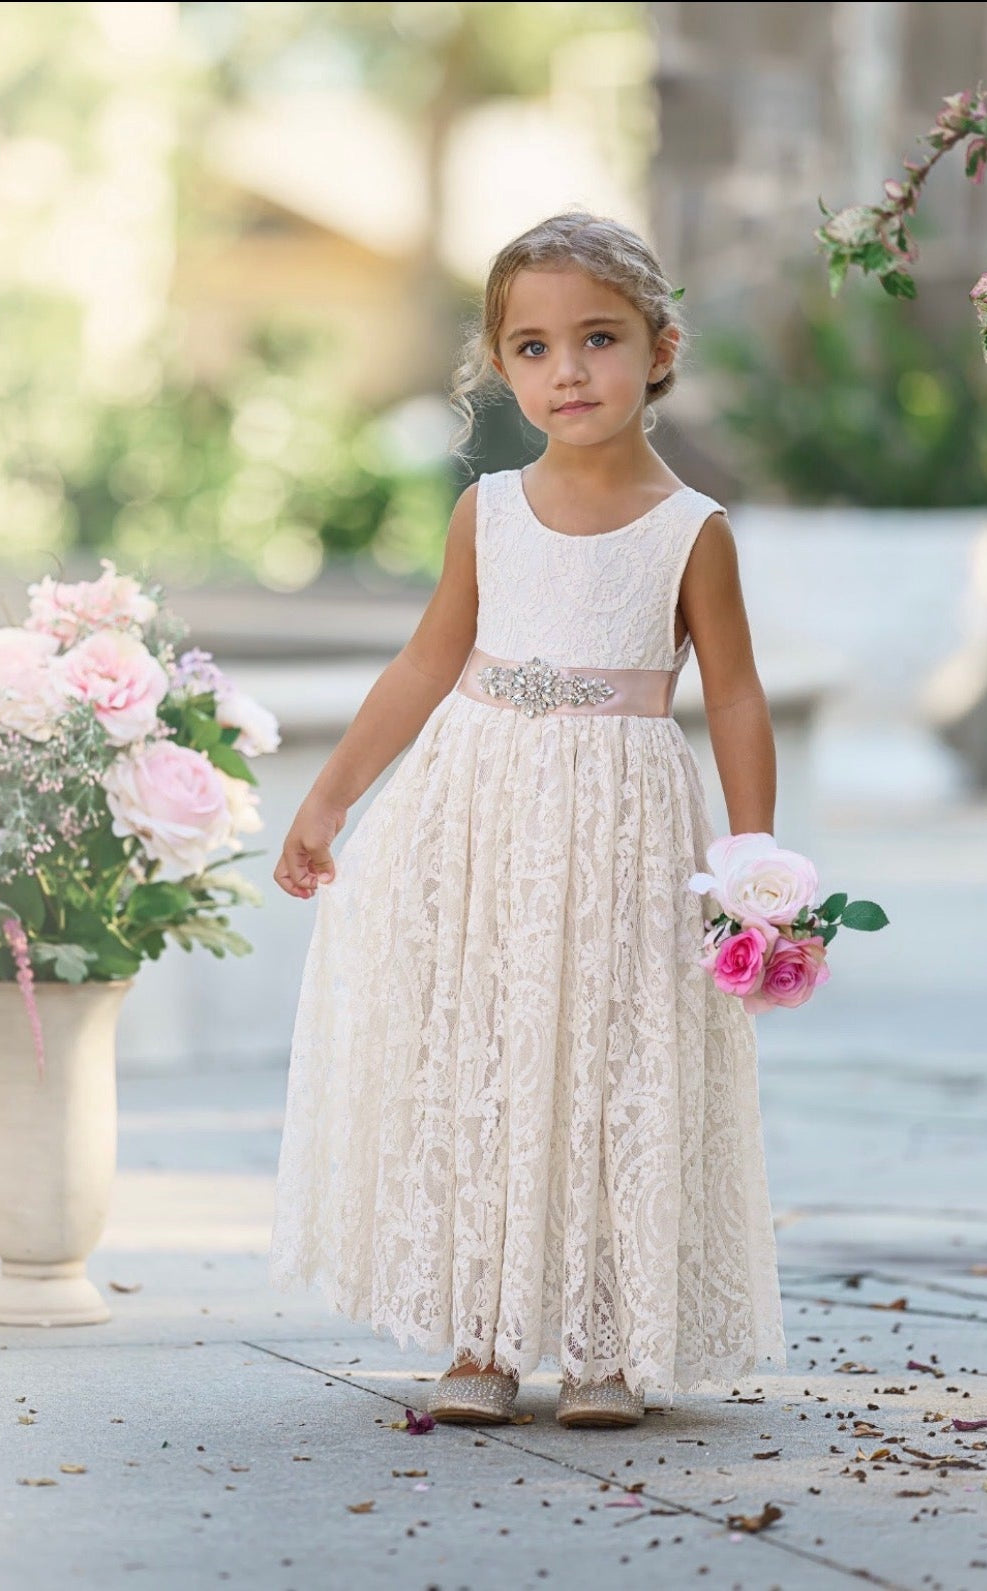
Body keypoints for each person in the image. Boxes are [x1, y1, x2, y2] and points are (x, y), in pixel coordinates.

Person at [268, 210, 786, 1430]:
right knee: (485, 1058)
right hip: (479, 816)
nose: (568, 371)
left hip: (619, 828)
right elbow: (420, 667)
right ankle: (483, 1333)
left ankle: (606, 1340)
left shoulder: (690, 530)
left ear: (659, 349)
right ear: (499, 366)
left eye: (597, 339)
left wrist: (756, 861)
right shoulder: (486, 512)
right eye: (534, 347)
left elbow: (738, 693)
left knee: (610, 1063)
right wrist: (330, 795)